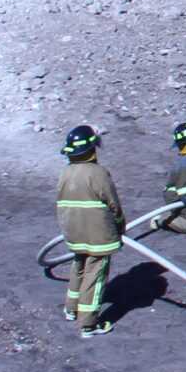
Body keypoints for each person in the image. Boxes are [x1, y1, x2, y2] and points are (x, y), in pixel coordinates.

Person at [54, 125, 125, 336]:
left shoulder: (66, 172)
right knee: (95, 274)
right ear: (92, 149)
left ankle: (71, 309)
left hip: (73, 230)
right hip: (98, 234)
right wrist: (120, 226)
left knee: (79, 266)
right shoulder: (98, 173)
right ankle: (89, 323)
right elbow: (113, 204)